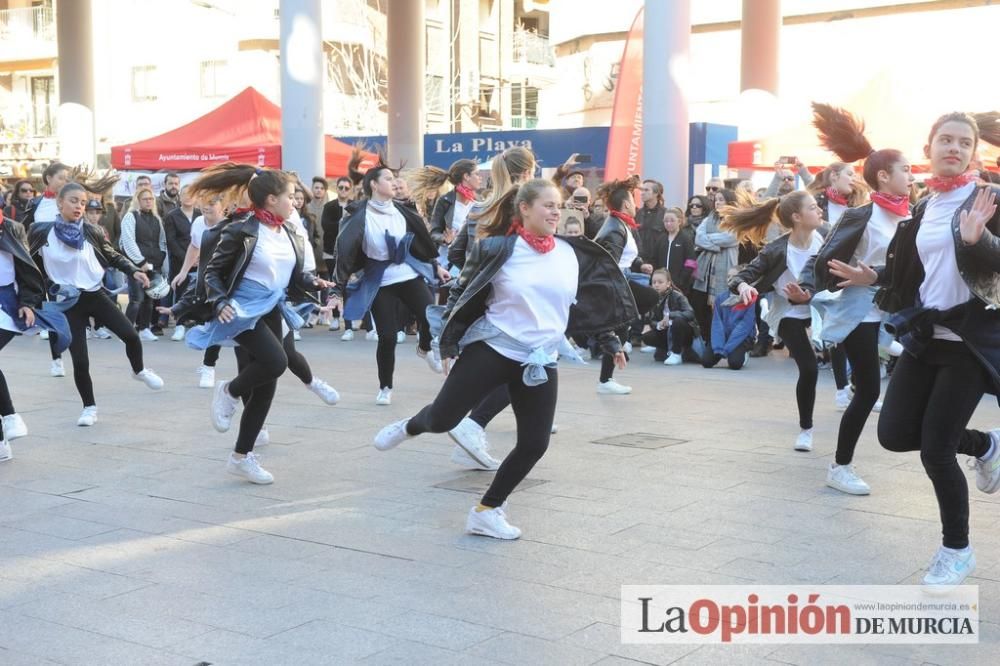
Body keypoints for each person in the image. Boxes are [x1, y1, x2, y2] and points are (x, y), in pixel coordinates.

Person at [373, 179, 637, 539]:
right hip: (495, 348)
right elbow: (462, 293)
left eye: (558, 205)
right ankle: (409, 427)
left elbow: (581, 301)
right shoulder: (498, 248)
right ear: (524, 209)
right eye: (547, 205)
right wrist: (448, 343)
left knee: (534, 443)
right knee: (442, 418)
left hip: (540, 359)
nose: (555, 211)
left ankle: (487, 510)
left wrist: (609, 338)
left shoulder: (570, 252)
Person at [831, 111, 1000, 588]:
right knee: (895, 433)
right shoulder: (925, 206)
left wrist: (981, 239)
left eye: (963, 142)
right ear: (929, 149)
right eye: (945, 140)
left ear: (973, 152)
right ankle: (987, 443)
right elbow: (916, 273)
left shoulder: (989, 200)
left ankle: (957, 550)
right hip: (927, 337)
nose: (954, 148)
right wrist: (875, 277)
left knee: (936, 451)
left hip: (969, 341)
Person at [186, 164, 335, 484]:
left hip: (272, 305)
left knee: (267, 385)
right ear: (270, 199)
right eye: (289, 196)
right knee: (277, 361)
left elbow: (294, 274)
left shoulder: (290, 231)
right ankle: (229, 390)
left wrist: (315, 283)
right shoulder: (241, 229)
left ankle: (241, 457)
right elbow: (212, 271)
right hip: (242, 308)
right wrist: (220, 301)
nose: (295, 201)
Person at [799, 102, 914, 495]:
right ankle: (840, 466)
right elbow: (824, 261)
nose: (912, 176)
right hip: (860, 312)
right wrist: (816, 286)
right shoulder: (859, 216)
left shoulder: (912, 216)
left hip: (897, 312)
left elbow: (911, 270)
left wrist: (877, 275)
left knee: (886, 383)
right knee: (867, 390)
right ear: (884, 176)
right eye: (906, 170)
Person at [28, 183, 164, 427]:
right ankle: (89, 407)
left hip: (95, 294)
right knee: (80, 361)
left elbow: (113, 255)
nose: (79, 206)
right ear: (59, 203)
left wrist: (134, 271)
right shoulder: (40, 231)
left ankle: (139, 370)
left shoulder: (93, 231)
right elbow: (25, 261)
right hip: (67, 303)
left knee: (131, 335)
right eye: (73, 201)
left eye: (82, 202)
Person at [333, 156, 443, 405]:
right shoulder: (358, 215)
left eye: (395, 179)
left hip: (407, 273)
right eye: (389, 179)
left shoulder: (403, 210)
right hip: (379, 280)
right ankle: (385, 387)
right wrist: (336, 290)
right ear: (373, 184)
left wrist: (435, 266)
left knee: (430, 315)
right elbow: (344, 252)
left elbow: (420, 242)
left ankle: (424, 348)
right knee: (387, 337)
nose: (395, 183)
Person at [722, 191, 825, 453]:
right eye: (814, 207)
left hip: (821, 307)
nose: (820, 210)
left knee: (850, 340)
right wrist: (744, 285)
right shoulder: (777, 248)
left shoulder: (825, 240)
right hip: (788, 312)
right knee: (809, 369)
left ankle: (847, 388)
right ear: (796, 217)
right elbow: (741, 276)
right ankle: (806, 430)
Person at [0, 208, 71, 458]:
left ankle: (10, 417)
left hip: (6, 304)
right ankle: (2, 439)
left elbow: (27, 268)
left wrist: (28, 303)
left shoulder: (12, 228)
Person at [592, 176, 657, 395]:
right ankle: (621, 327)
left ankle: (606, 379)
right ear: (627, 204)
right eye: (633, 199)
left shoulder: (620, 224)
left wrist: (641, 265)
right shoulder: (614, 228)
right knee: (651, 297)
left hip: (621, 278)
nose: (636, 204)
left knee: (622, 326)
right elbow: (609, 263)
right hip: (614, 283)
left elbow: (624, 258)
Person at [691, 189, 739, 342]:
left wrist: (708, 240)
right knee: (701, 305)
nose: (717, 202)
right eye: (716, 199)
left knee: (723, 305)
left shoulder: (736, 220)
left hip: (726, 268)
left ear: (730, 202)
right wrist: (716, 245)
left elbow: (730, 238)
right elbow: (698, 237)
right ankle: (707, 338)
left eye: (721, 199)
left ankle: (724, 338)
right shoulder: (710, 218)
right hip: (706, 269)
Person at [119, 186, 167, 341]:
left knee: (149, 300)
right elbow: (128, 242)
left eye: (151, 199)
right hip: (136, 266)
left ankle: (144, 329)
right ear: (138, 201)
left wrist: (160, 258)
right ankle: (125, 331)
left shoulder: (156, 219)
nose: (149, 201)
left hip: (154, 265)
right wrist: (141, 262)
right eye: (145, 199)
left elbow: (162, 242)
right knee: (136, 299)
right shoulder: (130, 217)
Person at [162, 185, 200, 341]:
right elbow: (171, 241)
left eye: (191, 194)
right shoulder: (172, 216)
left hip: (201, 260)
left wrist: (199, 258)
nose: (188, 197)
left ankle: (199, 324)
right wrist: (189, 260)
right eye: (185, 194)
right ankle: (180, 325)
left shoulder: (201, 215)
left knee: (200, 293)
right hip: (180, 262)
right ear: (180, 197)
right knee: (181, 292)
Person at [640, 269, 697, 364]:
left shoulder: (678, 296)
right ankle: (666, 349)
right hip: (666, 331)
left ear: (668, 284)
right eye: (654, 282)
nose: (656, 285)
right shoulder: (653, 298)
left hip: (683, 330)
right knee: (647, 338)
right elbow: (652, 320)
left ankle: (677, 353)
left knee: (678, 322)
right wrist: (659, 324)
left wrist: (670, 316)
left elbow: (690, 313)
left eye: (660, 282)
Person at [321, 176, 354, 330]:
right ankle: (334, 318)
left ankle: (349, 318)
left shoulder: (354, 206)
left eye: (346, 188)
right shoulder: (329, 206)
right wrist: (342, 222)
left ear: (350, 189)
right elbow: (326, 225)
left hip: (349, 253)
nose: (343, 190)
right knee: (334, 285)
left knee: (347, 286)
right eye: (340, 187)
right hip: (330, 251)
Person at [652, 206, 697, 296]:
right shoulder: (661, 239)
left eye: (672, 221)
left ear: (679, 221)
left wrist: (680, 280)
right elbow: (654, 259)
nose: (668, 224)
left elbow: (691, 262)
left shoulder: (685, 239)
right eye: (666, 221)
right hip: (661, 286)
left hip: (679, 286)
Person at [636, 179, 666, 255]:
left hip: (658, 260)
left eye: (646, 190)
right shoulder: (636, 214)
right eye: (642, 190)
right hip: (639, 260)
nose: (642, 193)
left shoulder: (666, 214)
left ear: (656, 193)